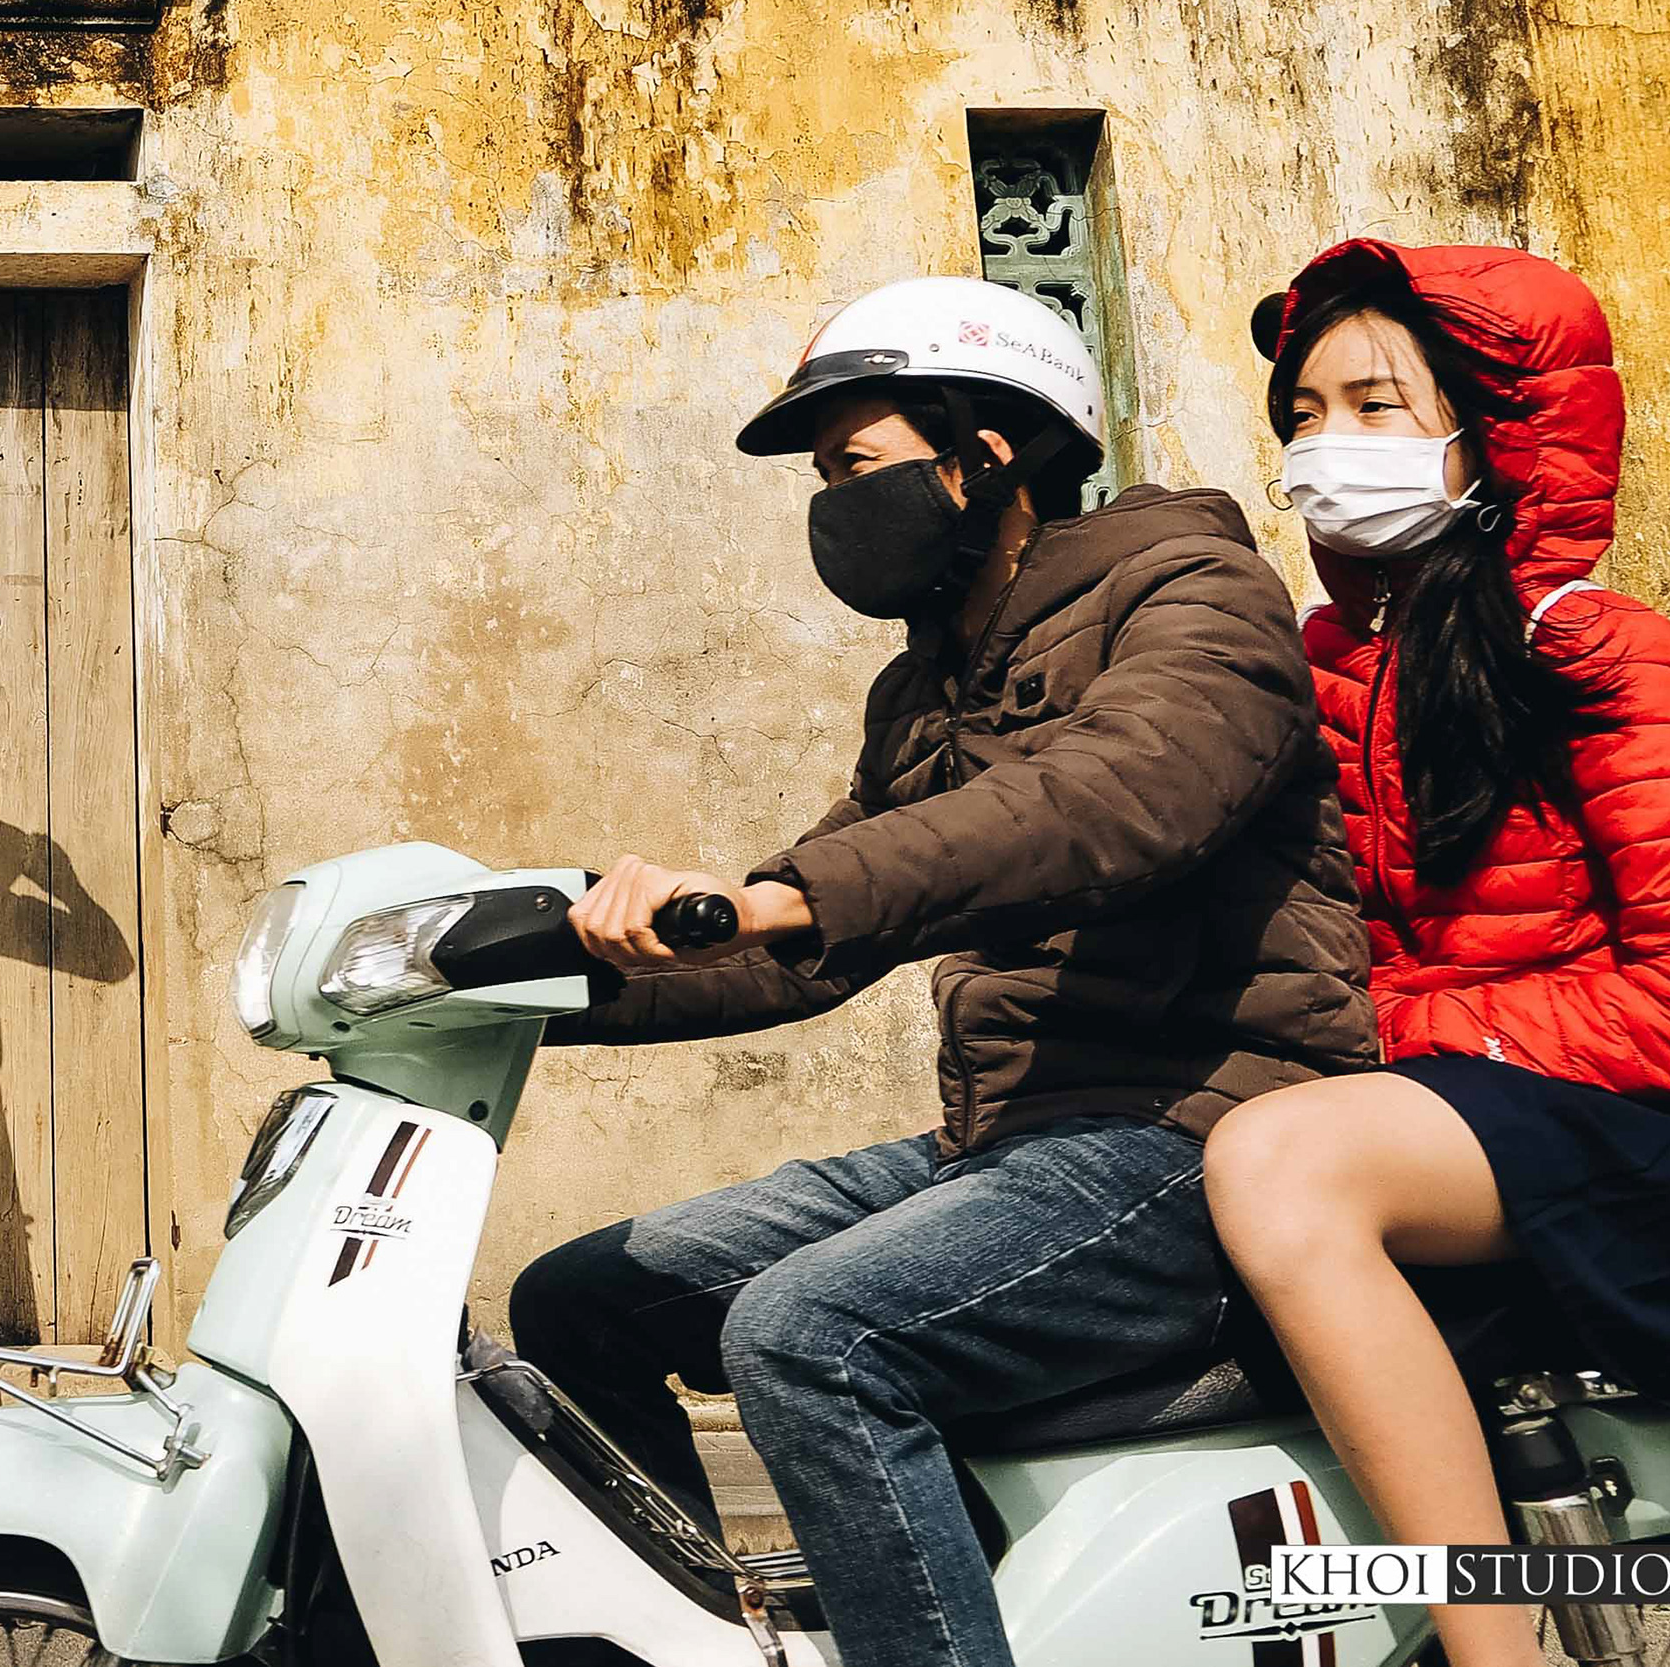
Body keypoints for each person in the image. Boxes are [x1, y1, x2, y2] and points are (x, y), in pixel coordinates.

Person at [504, 276, 1377, 1667]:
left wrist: (777, 892)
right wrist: (529, 988)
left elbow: (1116, 798)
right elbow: (812, 935)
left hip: (1203, 1127)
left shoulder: (1195, 592)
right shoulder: (927, 689)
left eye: (854, 465)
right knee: (581, 1297)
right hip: (1011, 1138)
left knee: (809, 1336)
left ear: (986, 455)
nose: (829, 505)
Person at [1208, 242, 1670, 1667]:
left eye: (1378, 408)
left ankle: (1493, 1647)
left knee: (1280, 1162)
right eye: (1303, 417)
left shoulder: (1595, 650)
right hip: (1465, 1101)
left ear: (1492, 436)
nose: (1329, 448)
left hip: (1646, 1127)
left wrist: (1406, 1025)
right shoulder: (1308, 666)